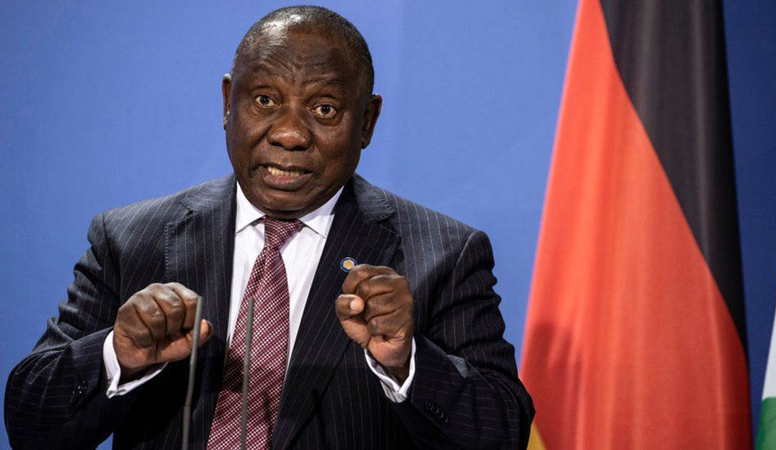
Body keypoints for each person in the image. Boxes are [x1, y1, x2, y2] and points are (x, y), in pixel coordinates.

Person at [5, 6, 534, 449]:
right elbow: (29, 423)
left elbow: (505, 432)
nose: (289, 134)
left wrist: (406, 361)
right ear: (227, 103)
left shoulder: (442, 254)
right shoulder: (131, 238)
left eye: (324, 109)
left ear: (367, 121)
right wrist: (118, 355)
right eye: (264, 100)